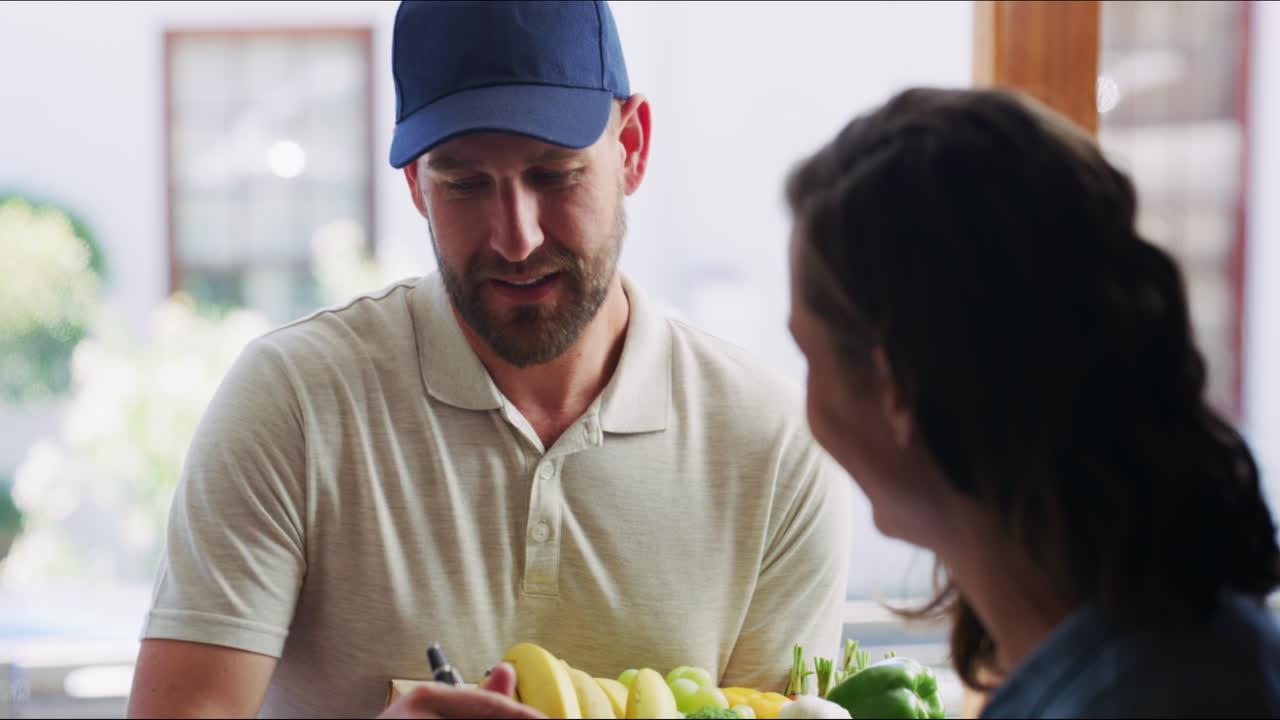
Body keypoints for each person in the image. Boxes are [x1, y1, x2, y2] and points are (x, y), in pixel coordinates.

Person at [126, 1, 851, 718]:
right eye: (465, 183)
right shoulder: (294, 403)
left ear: (631, 147)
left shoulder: (773, 444)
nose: (516, 237)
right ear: (416, 185)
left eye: (555, 174)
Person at [784, 85, 1280, 718]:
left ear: (895, 388)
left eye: (809, 358)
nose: (807, 409)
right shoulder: (1174, 654)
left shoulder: (1146, 699)